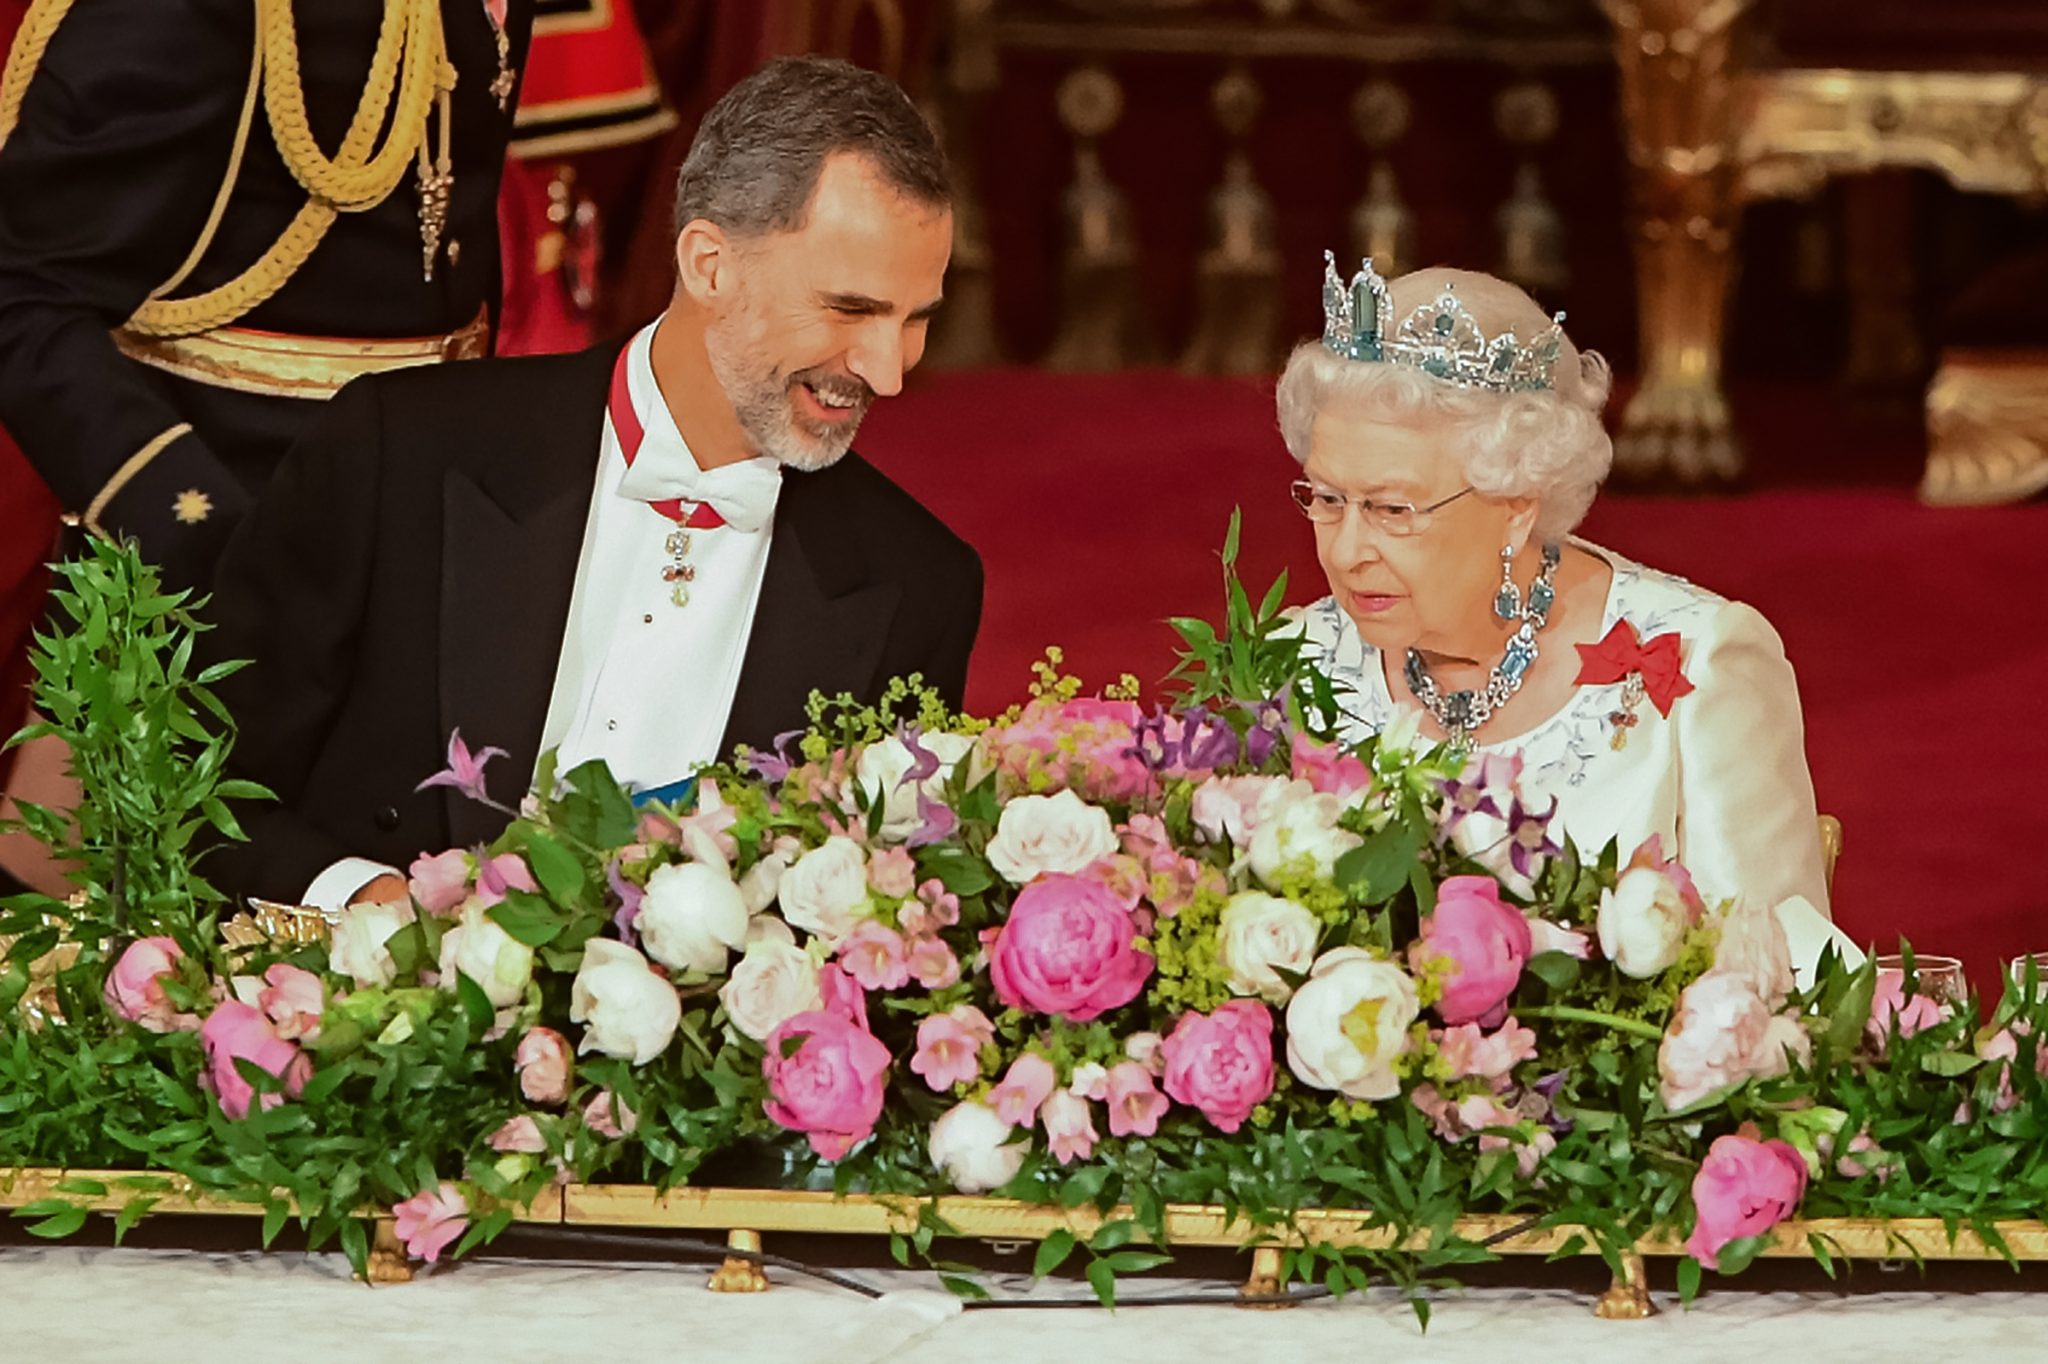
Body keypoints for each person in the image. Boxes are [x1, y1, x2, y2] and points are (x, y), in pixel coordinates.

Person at [203, 55, 982, 910]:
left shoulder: (921, 585)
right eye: (850, 309)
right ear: (710, 265)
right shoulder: (402, 454)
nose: (888, 372)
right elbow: (200, 782)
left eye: (917, 319)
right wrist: (363, 905)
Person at [1284, 256, 1830, 916]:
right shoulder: (1293, 662)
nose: (1346, 552)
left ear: (1517, 504)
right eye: (1327, 499)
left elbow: (1777, 966)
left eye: (1393, 510)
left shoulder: (1701, 666)